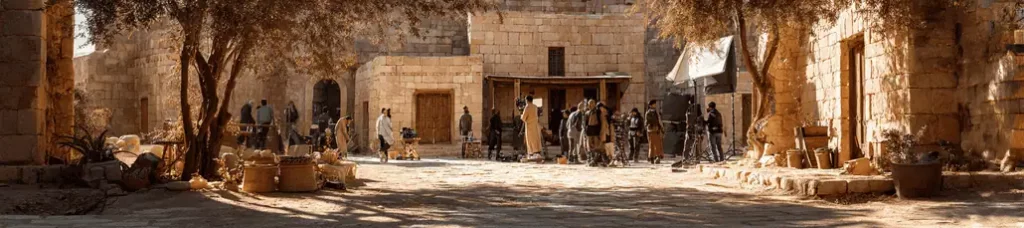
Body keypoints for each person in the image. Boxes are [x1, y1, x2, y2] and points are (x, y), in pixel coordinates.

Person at [521, 95, 543, 160]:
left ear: (527, 100)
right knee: (536, 139)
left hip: (529, 126)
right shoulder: (535, 106)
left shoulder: (527, 107)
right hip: (535, 125)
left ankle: (532, 153)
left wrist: (521, 115)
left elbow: (524, 118)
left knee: (530, 140)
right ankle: (537, 152)